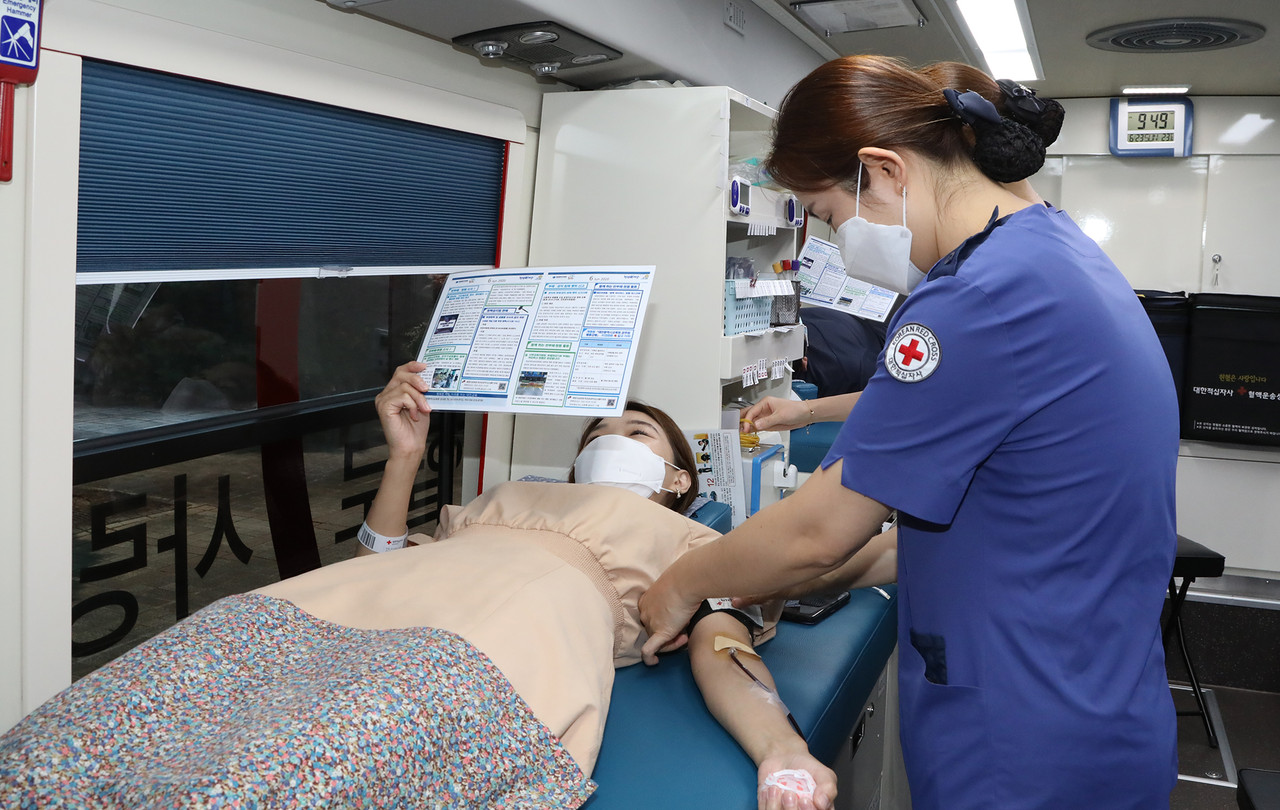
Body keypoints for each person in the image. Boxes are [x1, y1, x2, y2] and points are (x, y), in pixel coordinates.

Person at [639, 55, 1179, 810]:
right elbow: (985, 528)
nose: (834, 238)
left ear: (883, 171)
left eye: (828, 215)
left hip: (1026, 741)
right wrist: (770, 580)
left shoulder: (978, 298)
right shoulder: (1054, 255)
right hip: (1095, 707)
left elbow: (819, 532)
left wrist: (682, 584)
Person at [0, 361, 834, 810]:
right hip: (323, 613)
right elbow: (383, 563)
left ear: (682, 480)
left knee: (274, 775)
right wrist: (404, 458)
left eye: (638, 429)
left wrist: (784, 754)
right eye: (602, 427)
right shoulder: (501, 498)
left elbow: (722, 645)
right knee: (87, 733)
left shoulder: (692, 541)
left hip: (479, 651)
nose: (614, 434)